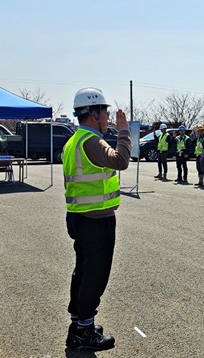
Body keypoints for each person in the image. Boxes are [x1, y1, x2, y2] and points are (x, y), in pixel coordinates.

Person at [63, 87, 131, 351]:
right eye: (105, 111)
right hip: (95, 220)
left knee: (83, 271)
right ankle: (84, 332)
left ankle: (80, 323)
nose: (108, 117)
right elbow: (121, 160)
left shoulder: (75, 139)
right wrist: (124, 131)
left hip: (80, 217)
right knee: (95, 274)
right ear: (94, 113)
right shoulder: (91, 141)